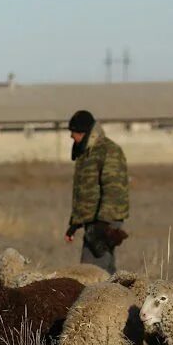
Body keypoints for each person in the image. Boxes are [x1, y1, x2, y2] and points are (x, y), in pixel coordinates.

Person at [64, 109, 129, 273]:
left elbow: (114, 189)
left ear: (85, 132)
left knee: (91, 272)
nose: (72, 136)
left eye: (74, 132)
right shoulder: (87, 152)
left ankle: (106, 298)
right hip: (94, 220)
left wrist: (103, 224)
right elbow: (86, 191)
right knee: (104, 270)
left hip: (105, 219)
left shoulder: (108, 150)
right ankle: (118, 296)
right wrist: (75, 223)